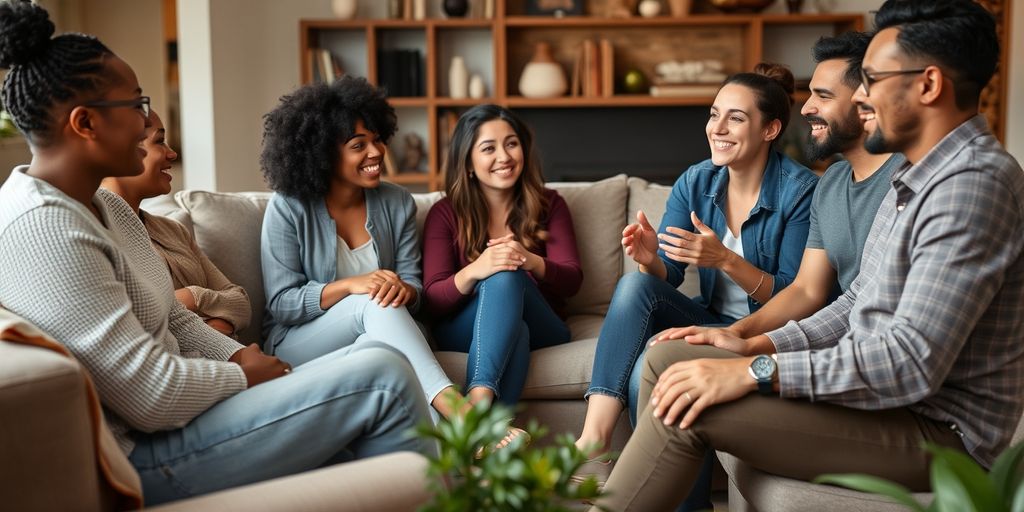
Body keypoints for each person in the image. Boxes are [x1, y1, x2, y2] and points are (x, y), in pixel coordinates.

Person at [591, 1, 1024, 510]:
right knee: (666, 360)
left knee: (685, 405)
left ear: (928, 85)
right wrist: (752, 345)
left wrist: (755, 370)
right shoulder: (916, 178)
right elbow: (856, 300)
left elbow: (910, 361)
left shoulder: (970, 185)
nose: (862, 100)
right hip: (886, 405)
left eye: (873, 81)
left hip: (936, 429)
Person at [0, 1, 432, 505]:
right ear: (85, 123)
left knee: (376, 357)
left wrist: (239, 354)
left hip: (182, 420)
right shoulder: (43, 227)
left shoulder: (108, 209)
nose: (148, 123)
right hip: (140, 456)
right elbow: (149, 395)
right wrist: (242, 374)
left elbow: (175, 322)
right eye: (136, 106)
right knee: (381, 376)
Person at [574, 62, 818, 505]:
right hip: (708, 322)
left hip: (764, 334)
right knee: (634, 287)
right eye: (713, 114)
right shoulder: (697, 179)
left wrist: (724, 259)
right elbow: (669, 274)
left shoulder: (800, 192)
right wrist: (650, 259)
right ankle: (594, 440)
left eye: (736, 118)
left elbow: (797, 295)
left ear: (770, 129)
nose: (717, 128)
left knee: (651, 380)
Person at [260, 76, 499, 433]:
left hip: (376, 333)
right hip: (299, 340)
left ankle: (452, 463)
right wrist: (351, 286)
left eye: (377, 140)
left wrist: (407, 290)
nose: (376, 152)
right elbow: (282, 302)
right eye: (359, 145)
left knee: (389, 355)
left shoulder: (396, 202)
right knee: (373, 300)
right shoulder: (288, 207)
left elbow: (414, 287)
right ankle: (462, 414)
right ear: (324, 152)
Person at [653, 33, 904, 364]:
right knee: (659, 359)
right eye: (714, 115)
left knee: (666, 365)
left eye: (823, 96)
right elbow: (808, 293)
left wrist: (753, 351)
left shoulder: (906, 182)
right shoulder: (831, 183)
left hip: (870, 366)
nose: (807, 108)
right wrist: (740, 335)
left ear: (867, 103)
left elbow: (866, 318)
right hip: (836, 351)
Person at [422, 104, 582, 406]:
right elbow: (432, 299)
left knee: (507, 273)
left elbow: (572, 281)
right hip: (467, 327)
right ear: (468, 163)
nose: (504, 157)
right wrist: (476, 270)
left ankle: (478, 400)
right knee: (513, 330)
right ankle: (492, 439)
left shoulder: (550, 204)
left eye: (511, 143)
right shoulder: (444, 213)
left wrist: (528, 260)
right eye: (488, 148)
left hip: (544, 326)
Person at [102, 111, 250, 337]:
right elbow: (137, 321)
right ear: (122, 150)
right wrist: (212, 321)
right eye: (159, 141)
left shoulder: (173, 230)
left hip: (231, 359)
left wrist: (194, 297)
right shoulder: (99, 235)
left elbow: (240, 301)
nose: (172, 153)